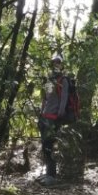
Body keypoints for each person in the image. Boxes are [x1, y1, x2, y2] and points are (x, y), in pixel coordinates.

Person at [38, 52, 69, 184]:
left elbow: (64, 100)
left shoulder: (64, 81)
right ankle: (48, 174)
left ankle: (52, 176)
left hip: (53, 118)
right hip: (45, 117)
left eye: (58, 62)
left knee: (49, 145)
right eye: (54, 62)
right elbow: (46, 98)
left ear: (62, 65)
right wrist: (41, 113)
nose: (56, 64)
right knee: (45, 145)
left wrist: (59, 117)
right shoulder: (49, 80)